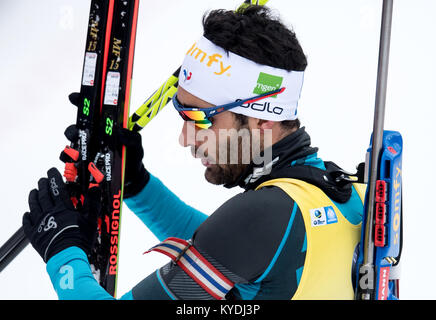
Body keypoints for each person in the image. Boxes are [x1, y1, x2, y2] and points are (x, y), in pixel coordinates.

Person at [22, 5, 365, 300]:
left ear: (262, 119)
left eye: (201, 119)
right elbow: (229, 249)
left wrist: (63, 251)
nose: (185, 139)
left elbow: (236, 239)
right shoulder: (341, 194)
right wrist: (138, 185)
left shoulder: (265, 217)